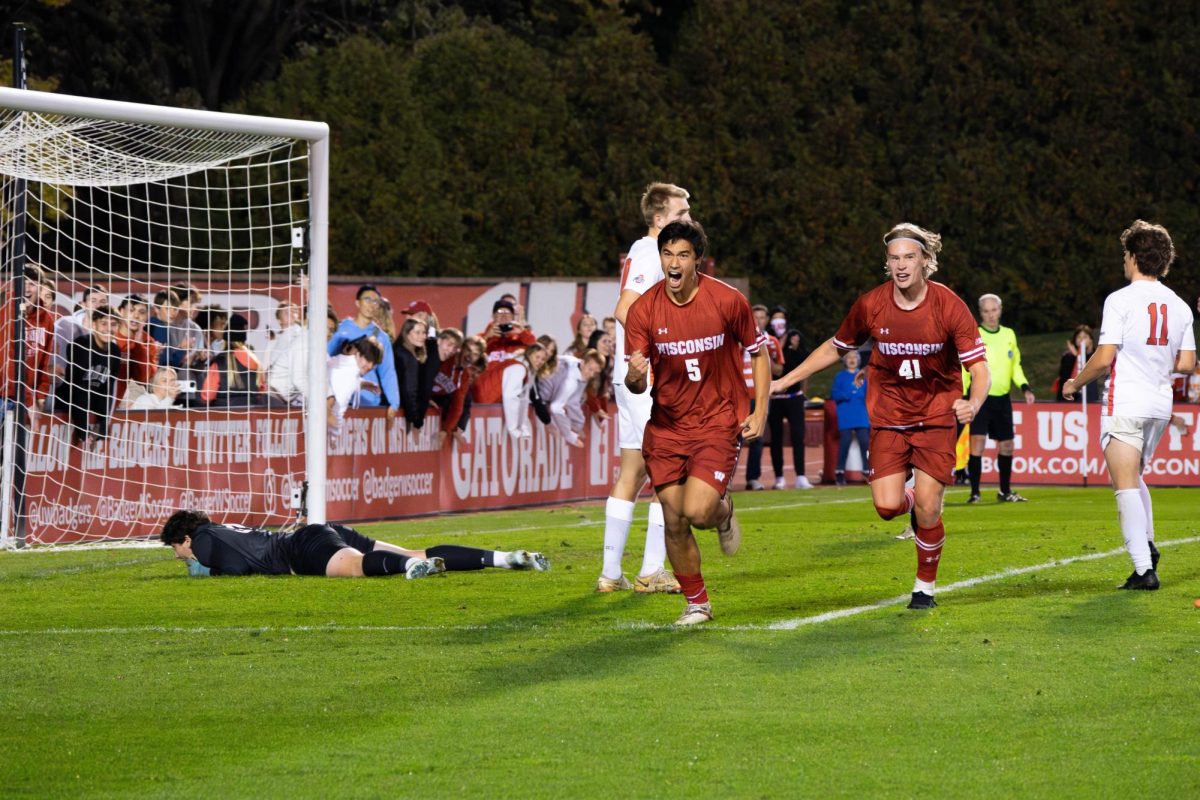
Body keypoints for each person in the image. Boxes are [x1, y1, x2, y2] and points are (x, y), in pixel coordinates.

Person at [771, 222, 990, 610]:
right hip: (889, 418)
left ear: (925, 261)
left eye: (909, 257)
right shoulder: (871, 304)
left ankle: (924, 586)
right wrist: (784, 380)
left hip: (937, 416)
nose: (902, 265)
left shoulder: (948, 304)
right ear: (886, 264)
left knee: (927, 507)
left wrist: (973, 402)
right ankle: (913, 494)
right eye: (894, 259)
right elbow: (834, 348)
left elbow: (980, 367)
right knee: (888, 508)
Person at [625, 219, 769, 625]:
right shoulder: (644, 310)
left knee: (700, 511)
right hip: (668, 426)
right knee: (673, 517)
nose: (674, 263)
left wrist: (759, 410)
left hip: (718, 422)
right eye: (668, 254)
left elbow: (758, 353)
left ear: (697, 261)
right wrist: (635, 374)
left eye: (683, 255)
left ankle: (723, 512)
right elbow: (636, 385)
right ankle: (697, 603)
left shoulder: (727, 301)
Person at [1062, 220, 1195, 591]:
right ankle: (1148, 547)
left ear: (1135, 257)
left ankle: (1143, 569)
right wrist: (1154, 358)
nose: (1124, 260)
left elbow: (1105, 359)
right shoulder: (1180, 306)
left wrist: (1075, 383)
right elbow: (1185, 364)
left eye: (1125, 254)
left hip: (1125, 403)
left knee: (1124, 487)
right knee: (1134, 477)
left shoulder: (1119, 300)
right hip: (1159, 407)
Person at [601, 182, 694, 596]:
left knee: (633, 472)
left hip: (630, 378)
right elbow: (625, 308)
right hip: (645, 382)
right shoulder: (648, 251)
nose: (690, 219)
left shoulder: (651, 252)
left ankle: (609, 573)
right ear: (660, 219)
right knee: (669, 472)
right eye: (682, 212)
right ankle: (652, 569)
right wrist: (656, 351)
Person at [160, 509, 549, 579]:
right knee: (415, 551)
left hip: (301, 548)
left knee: (356, 568)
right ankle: (507, 558)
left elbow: (237, 569)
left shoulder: (204, 542)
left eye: (175, 550)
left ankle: (407, 570)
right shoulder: (215, 530)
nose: (179, 557)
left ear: (185, 538)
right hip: (320, 532)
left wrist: (202, 570)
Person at [964, 294, 1036, 504]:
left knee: (1007, 446)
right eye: (986, 311)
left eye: (994, 310)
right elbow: (964, 367)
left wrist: (1025, 387)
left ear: (1000, 310)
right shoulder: (974, 334)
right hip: (980, 398)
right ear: (981, 313)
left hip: (1002, 399)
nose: (991, 315)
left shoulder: (1009, 334)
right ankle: (974, 493)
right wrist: (963, 392)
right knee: (977, 444)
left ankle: (1005, 491)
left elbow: (1015, 366)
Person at [327, 285, 400, 417]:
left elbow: (388, 372)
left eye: (375, 301)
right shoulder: (340, 329)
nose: (371, 305)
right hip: (340, 397)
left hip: (368, 402)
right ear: (357, 303)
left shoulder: (382, 337)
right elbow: (326, 359)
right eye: (367, 300)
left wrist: (394, 403)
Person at [56, 304, 125, 443]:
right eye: (104, 324)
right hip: (65, 406)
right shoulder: (81, 346)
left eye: (113, 324)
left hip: (89, 406)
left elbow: (107, 390)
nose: (109, 329)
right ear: (94, 324)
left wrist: (103, 424)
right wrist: (83, 429)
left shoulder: (115, 351)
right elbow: (76, 388)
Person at [0, 263, 56, 418]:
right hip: (4, 395)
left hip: (24, 397)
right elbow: (9, 364)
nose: (27, 288)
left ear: (40, 287)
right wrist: (30, 401)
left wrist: (41, 395)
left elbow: (44, 362)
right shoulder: (5, 313)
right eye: (22, 283)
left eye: (32, 284)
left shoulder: (47, 320)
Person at [744, 304, 784, 490]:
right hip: (740, 395)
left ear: (766, 320)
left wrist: (765, 360)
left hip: (760, 395)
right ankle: (724, 479)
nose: (758, 320)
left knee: (757, 438)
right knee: (731, 437)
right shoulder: (739, 338)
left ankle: (753, 478)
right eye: (755, 317)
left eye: (761, 317)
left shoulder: (772, 341)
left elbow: (779, 368)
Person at [470, 342, 547, 439]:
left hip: (482, 398)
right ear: (529, 354)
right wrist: (514, 430)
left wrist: (523, 427)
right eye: (537, 357)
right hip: (481, 399)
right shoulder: (519, 368)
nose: (540, 361)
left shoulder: (526, 368)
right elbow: (510, 397)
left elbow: (524, 399)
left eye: (543, 359)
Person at [768, 327, 812, 490]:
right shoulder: (774, 347)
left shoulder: (799, 352)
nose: (794, 340)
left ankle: (801, 476)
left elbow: (803, 371)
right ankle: (779, 477)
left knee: (798, 437)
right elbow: (778, 370)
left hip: (794, 398)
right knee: (776, 439)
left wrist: (803, 394)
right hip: (776, 399)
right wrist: (782, 345)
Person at [200, 314, 263, 407]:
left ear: (226, 339)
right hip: (251, 414)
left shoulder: (220, 362)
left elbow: (206, 396)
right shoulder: (255, 361)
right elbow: (261, 391)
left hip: (224, 416)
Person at [328, 336, 385, 434]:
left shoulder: (341, 362)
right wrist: (334, 434)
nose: (370, 366)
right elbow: (338, 408)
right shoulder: (350, 373)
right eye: (367, 359)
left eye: (373, 362)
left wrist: (361, 384)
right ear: (358, 354)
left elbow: (339, 381)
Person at [548, 350, 604, 448]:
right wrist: (570, 436)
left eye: (595, 372)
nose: (591, 375)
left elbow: (573, 402)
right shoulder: (570, 383)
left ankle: (576, 425)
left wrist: (578, 425)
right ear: (583, 363)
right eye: (590, 369)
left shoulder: (576, 364)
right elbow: (555, 408)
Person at [831, 350, 870, 485]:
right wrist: (848, 393)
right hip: (846, 414)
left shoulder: (864, 376)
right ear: (845, 361)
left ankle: (867, 470)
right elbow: (835, 394)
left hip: (861, 414)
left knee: (865, 442)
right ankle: (840, 472)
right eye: (849, 357)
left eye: (854, 357)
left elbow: (869, 395)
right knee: (845, 443)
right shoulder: (840, 376)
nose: (852, 360)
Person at [265, 302, 308, 405]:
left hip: (292, 394)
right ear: (279, 319)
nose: (292, 314)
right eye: (286, 312)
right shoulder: (274, 341)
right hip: (276, 392)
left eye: (294, 311)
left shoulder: (299, 333)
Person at [395, 317, 432, 432]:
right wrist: (415, 419)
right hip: (401, 413)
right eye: (417, 332)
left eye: (424, 333)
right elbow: (409, 389)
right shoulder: (407, 357)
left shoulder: (400, 350)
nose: (423, 336)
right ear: (406, 334)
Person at [481, 298, 536, 365]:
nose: (504, 316)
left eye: (507, 312)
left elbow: (535, 348)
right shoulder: (483, 337)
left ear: (512, 316)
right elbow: (474, 353)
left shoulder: (520, 336)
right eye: (500, 312)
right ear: (493, 316)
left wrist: (522, 332)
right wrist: (487, 337)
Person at [1056, 325, 1101, 403]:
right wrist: (1075, 355)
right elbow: (1064, 377)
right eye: (1079, 337)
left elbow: (1090, 371)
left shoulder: (1095, 355)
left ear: (1090, 340)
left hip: (1089, 397)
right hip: (1069, 398)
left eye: (1085, 337)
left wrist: (1077, 355)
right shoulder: (1067, 356)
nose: (1081, 340)